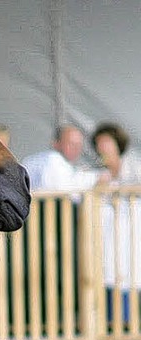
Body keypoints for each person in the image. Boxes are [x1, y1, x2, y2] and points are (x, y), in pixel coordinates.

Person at [91, 122, 141, 321]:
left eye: (107, 142)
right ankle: (116, 320)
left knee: (132, 271)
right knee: (111, 272)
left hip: (133, 231)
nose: (102, 147)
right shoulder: (96, 171)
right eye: (99, 143)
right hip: (109, 233)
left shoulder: (135, 165)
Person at [21, 124, 103, 193]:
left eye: (79, 145)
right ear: (56, 144)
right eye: (71, 144)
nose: (76, 148)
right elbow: (64, 190)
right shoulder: (53, 159)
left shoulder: (43, 159)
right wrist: (96, 178)